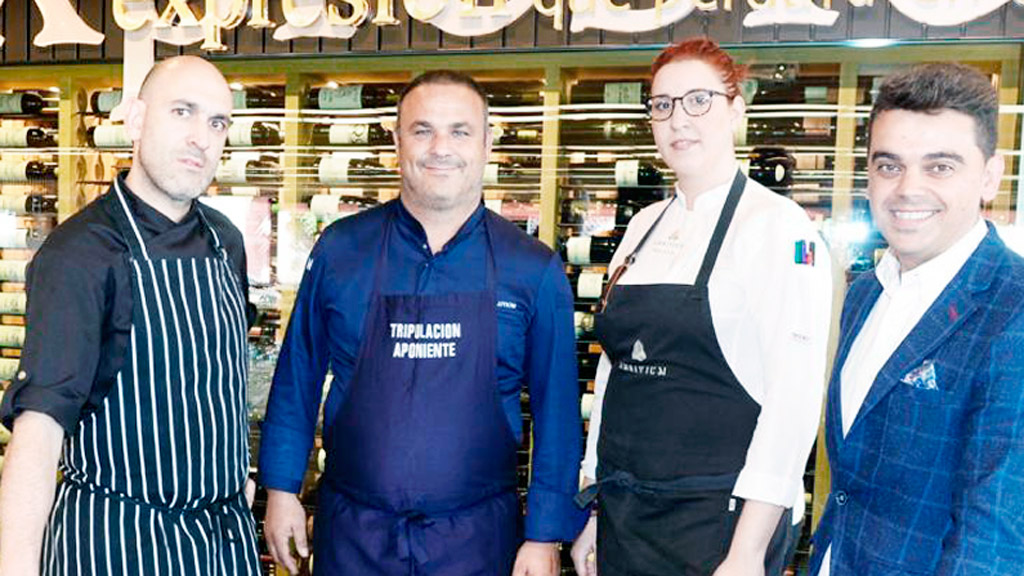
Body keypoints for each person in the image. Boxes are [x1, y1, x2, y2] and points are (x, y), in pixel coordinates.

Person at [258, 70, 587, 576]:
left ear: (486, 144)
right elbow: (297, 378)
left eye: (459, 131)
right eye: (422, 130)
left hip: (478, 543)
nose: (441, 147)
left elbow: (558, 416)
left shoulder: (533, 269)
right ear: (396, 141)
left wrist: (544, 534)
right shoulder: (341, 249)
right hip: (353, 538)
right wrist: (282, 488)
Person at [570, 38, 834, 576]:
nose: (677, 120)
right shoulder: (643, 226)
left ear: (736, 109)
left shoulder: (776, 226)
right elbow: (614, 370)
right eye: (662, 105)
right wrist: (595, 506)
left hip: (716, 521)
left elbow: (794, 400)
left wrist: (747, 552)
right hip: (627, 511)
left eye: (699, 100)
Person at [0, 56, 259, 575]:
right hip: (118, 543)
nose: (201, 138)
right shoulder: (80, 253)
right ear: (136, 120)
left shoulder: (224, 241)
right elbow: (39, 432)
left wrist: (233, 475)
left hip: (220, 544)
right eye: (182, 112)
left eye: (217, 123)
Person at [809, 63, 1024, 575]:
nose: (907, 188)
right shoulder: (864, 293)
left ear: (989, 176)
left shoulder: (1013, 309)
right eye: (888, 165)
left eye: (940, 166)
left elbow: (994, 540)